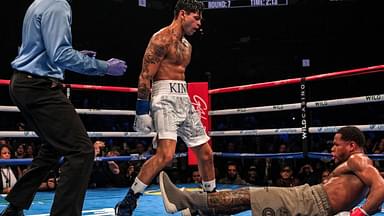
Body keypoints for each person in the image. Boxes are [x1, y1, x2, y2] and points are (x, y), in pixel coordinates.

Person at [0, 0, 127, 214]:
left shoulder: (38, 3)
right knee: (82, 150)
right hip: (39, 87)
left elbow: (44, 51)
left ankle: (16, 205)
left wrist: (75, 55)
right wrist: (104, 67)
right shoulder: (58, 5)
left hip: (24, 83)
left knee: (53, 147)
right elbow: (60, 54)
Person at [114, 0, 216, 215]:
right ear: (182, 14)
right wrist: (142, 110)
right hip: (163, 97)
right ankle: (129, 200)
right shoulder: (161, 39)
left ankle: (210, 201)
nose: (199, 24)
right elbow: (145, 76)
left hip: (183, 97)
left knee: (206, 153)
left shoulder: (187, 46)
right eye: (196, 18)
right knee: (166, 155)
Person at [159, 126, 384, 216]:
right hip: (310, 199)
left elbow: (381, 186)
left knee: (249, 195)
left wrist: (360, 213)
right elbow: (376, 198)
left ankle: (182, 200)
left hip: (312, 202)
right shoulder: (359, 167)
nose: (332, 149)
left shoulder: (359, 159)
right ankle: (197, 210)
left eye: (337, 144)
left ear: (352, 145)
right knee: (251, 199)